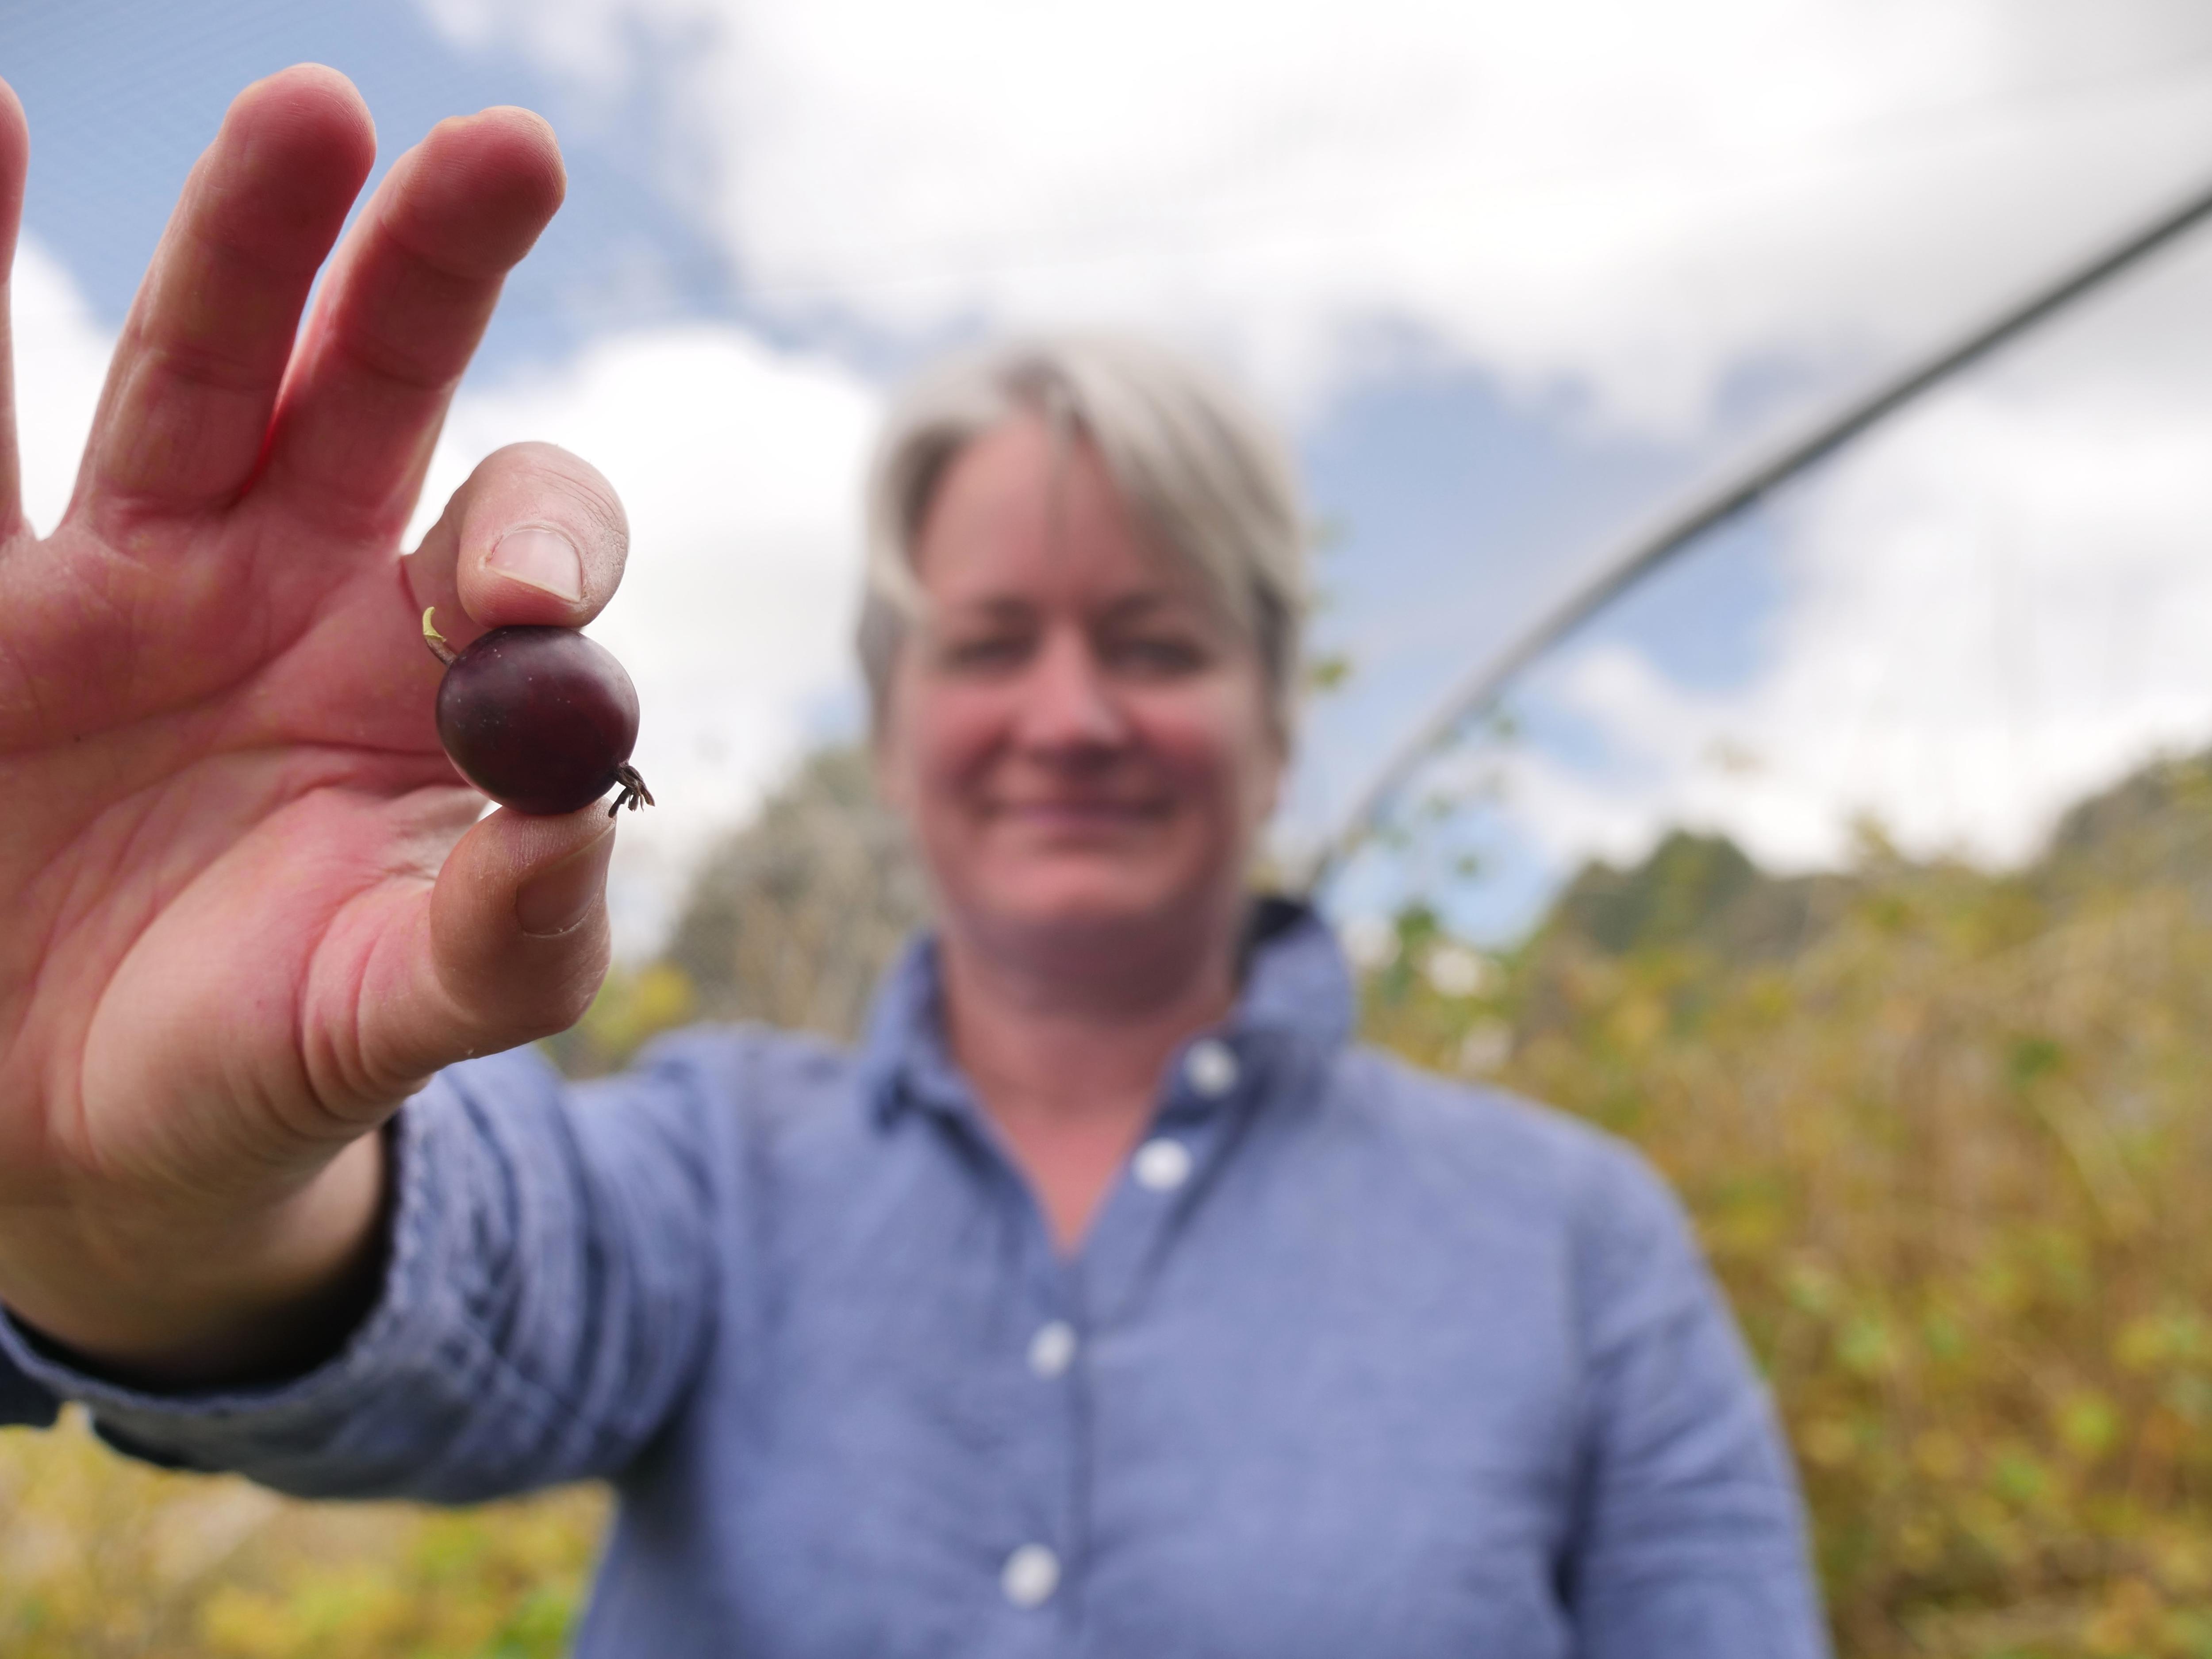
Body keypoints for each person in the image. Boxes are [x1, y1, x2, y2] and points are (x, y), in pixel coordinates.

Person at [0, 66, 1828, 1657]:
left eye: (1158, 640)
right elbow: (451, 1283)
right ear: (892, 730)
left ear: (1276, 720)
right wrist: (137, 1199)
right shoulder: (714, 1177)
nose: (1068, 712)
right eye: (985, 641)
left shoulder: (1577, 1245)